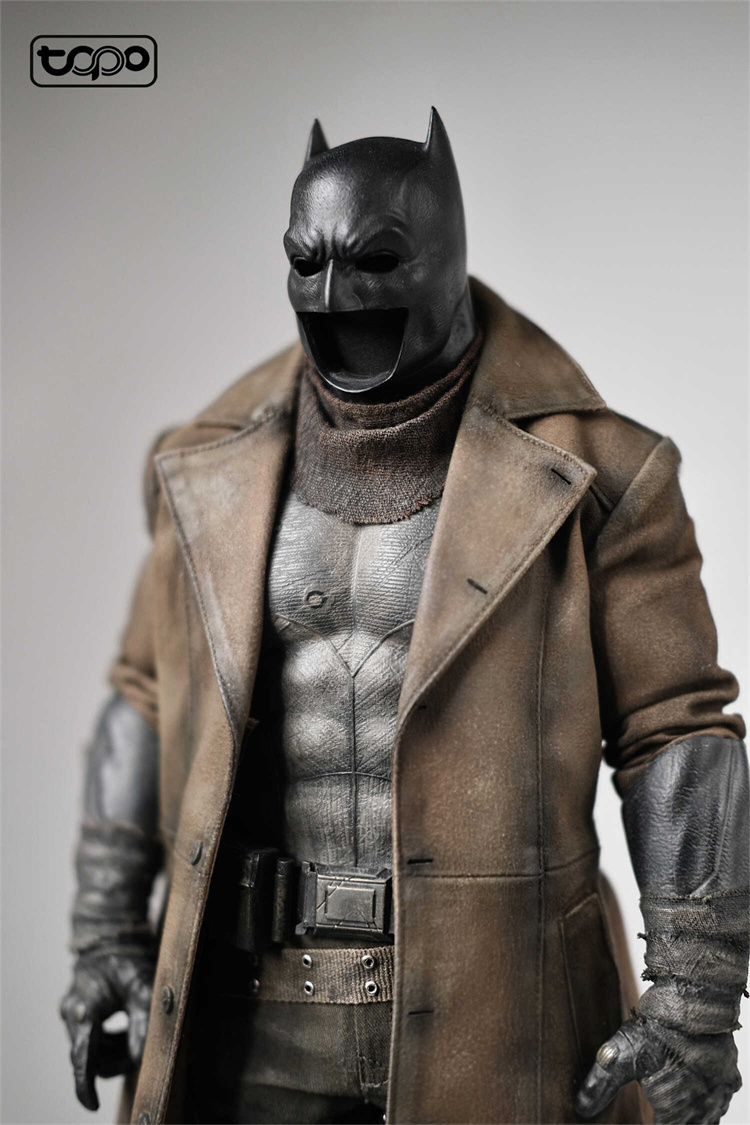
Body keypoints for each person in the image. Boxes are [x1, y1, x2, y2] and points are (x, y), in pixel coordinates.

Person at [61, 110, 748, 1125]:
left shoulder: (605, 474)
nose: (335, 294)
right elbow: (145, 701)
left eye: (375, 260)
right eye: (307, 262)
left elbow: (675, 731)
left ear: (447, 255)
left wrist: (695, 995)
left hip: (504, 1019)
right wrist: (106, 933)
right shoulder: (205, 466)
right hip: (244, 1021)